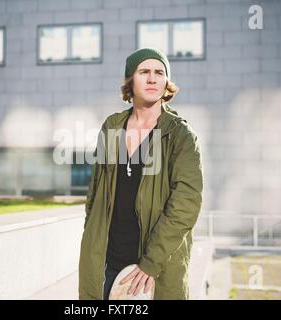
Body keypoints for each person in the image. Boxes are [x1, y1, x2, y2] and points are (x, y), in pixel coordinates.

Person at [78, 47, 203, 300]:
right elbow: (95, 194)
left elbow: (186, 205)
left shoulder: (180, 135)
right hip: (108, 265)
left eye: (159, 72)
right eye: (143, 71)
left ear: (166, 82)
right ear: (129, 80)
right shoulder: (112, 127)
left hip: (156, 268)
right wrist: (93, 243)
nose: (152, 78)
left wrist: (150, 262)